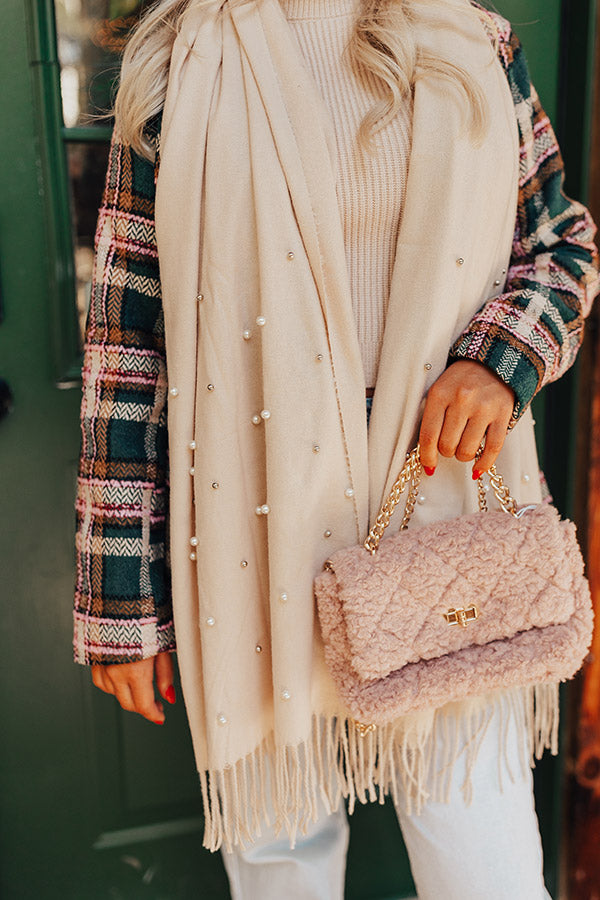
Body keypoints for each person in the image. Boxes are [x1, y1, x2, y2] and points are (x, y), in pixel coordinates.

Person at [73, 0, 600, 896]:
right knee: (283, 865)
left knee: (487, 864)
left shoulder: (474, 39)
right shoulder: (179, 60)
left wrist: (500, 363)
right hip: (256, 520)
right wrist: (119, 604)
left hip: (443, 504)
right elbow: (127, 345)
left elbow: (560, 245)